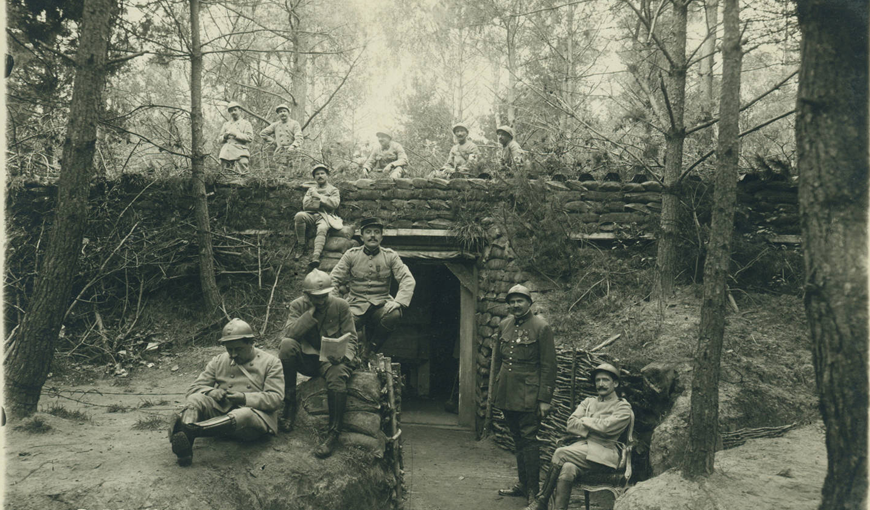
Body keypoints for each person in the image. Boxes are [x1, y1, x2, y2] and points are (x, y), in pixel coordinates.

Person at [168, 318, 284, 467]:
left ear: (251, 342)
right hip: (221, 415)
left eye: (238, 349)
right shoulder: (219, 361)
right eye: (229, 349)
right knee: (195, 399)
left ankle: (190, 430)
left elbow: (275, 398)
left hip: (253, 421)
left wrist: (243, 398)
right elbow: (193, 389)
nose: (233, 354)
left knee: (244, 414)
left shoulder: (271, 363)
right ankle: (185, 450)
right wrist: (211, 392)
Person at [527, 363, 632, 510]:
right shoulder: (588, 402)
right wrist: (596, 427)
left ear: (615, 383)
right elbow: (570, 424)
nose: (601, 384)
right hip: (583, 451)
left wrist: (585, 421)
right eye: (598, 380)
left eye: (605, 380)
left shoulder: (623, 407)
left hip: (605, 454)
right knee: (568, 468)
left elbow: (607, 428)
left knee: (561, 453)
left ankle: (542, 502)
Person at [278, 269, 358, 458]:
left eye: (324, 296)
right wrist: (310, 314)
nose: (321, 301)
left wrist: (344, 357)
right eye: (316, 297)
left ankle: (333, 433)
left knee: (338, 376)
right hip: (308, 361)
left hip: (331, 362)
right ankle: (289, 404)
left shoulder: (341, 306)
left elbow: (352, 339)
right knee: (287, 346)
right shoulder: (298, 306)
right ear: (306, 294)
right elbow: (289, 334)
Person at [494, 285, 557, 506]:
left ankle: (534, 491)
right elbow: (498, 362)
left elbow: (549, 366)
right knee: (517, 439)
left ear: (529, 303)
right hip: (507, 393)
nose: (515, 305)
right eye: (512, 301)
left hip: (529, 394)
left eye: (520, 301)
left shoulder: (541, 327)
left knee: (529, 441)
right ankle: (522, 485)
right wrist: (496, 391)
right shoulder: (504, 325)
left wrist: (544, 399)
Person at [330, 217, 416, 357]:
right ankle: (346, 358)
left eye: (377, 232)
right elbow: (334, 279)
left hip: (380, 305)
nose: (372, 235)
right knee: (339, 323)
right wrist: (336, 303)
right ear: (362, 236)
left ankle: (371, 351)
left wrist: (398, 302)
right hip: (356, 305)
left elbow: (407, 279)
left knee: (394, 315)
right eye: (368, 232)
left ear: (382, 237)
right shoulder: (351, 255)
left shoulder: (390, 256)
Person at [294, 164, 343, 268]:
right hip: (311, 214)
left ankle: (316, 256)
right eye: (317, 174)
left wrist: (319, 198)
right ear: (314, 177)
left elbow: (335, 204)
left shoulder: (333, 190)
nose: (320, 176)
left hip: (325, 216)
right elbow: (305, 205)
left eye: (322, 173)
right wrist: (322, 201)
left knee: (322, 228)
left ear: (327, 175)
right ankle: (301, 245)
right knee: (299, 216)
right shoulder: (311, 190)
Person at [217, 102, 254, 175]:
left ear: (240, 110)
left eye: (235, 110)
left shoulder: (246, 123)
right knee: (225, 175)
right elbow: (219, 140)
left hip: (240, 152)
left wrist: (236, 134)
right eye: (231, 111)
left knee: (242, 175)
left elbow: (250, 138)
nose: (233, 112)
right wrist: (225, 136)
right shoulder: (226, 124)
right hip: (226, 153)